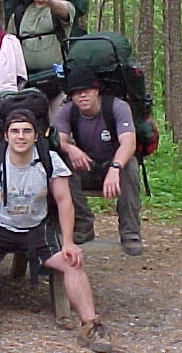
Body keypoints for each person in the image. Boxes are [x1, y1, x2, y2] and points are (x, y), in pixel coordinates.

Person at [0, 109, 113, 353]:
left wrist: (69, 242)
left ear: (36, 135)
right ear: (6, 135)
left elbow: (64, 200)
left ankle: (91, 324)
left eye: (26, 131)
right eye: (15, 131)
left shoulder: (48, 159)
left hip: (36, 228)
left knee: (72, 262)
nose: (21, 136)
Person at [55, 66, 143, 256]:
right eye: (76, 92)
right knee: (61, 164)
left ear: (97, 91)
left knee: (130, 166)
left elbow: (129, 143)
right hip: (86, 166)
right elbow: (58, 140)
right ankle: (82, 225)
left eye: (87, 90)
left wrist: (115, 168)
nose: (82, 96)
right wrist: (71, 149)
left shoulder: (117, 107)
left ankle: (130, 233)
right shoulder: (68, 111)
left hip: (113, 165)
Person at [7, 0, 76, 119]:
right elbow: (10, 46)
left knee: (58, 124)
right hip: (28, 83)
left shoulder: (60, 7)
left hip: (58, 82)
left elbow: (63, 10)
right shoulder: (19, 15)